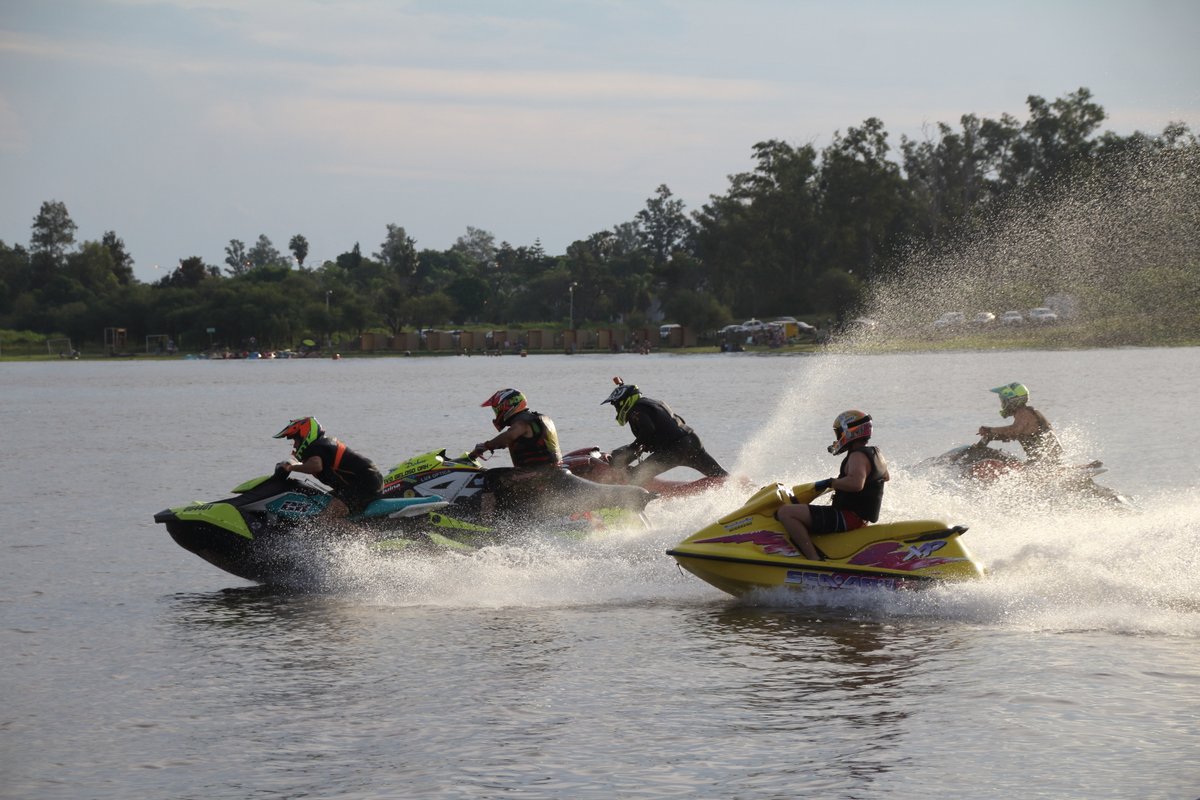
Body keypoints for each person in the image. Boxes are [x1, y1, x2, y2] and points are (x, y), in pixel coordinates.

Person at [776, 410, 890, 561]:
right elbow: (885, 477)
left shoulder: (857, 456)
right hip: (859, 518)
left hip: (848, 517)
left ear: (850, 432)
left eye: (839, 432)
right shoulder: (876, 453)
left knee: (786, 512)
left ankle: (813, 559)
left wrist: (833, 482)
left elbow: (856, 484)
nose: (837, 437)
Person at [601, 378, 728, 486]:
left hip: (675, 450)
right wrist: (628, 453)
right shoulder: (652, 404)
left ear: (624, 401)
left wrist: (628, 451)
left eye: (616, 405)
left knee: (636, 476)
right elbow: (672, 425)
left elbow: (647, 432)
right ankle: (742, 490)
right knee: (719, 475)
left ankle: (628, 507)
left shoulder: (636, 410)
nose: (616, 409)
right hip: (691, 442)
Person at [469, 388, 564, 520]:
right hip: (548, 470)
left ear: (508, 406)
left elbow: (509, 436)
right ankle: (508, 516)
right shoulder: (535, 419)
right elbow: (511, 441)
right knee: (507, 479)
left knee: (491, 477)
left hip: (540, 472)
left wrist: (485, 446)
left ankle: (487, 520)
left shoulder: (522, 422)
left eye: (497, 409)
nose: (496, 413)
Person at [274, 417, 383, 518]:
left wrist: (290, 468)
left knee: (326, 519)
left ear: (304, 435)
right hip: (362, 482)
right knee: (322, 504)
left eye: (295, 441)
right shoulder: (321, 445)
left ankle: (367, 538)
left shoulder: (317, 447)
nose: (294, 446)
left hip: (364, 484)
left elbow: (316, 466)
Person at [976, 382, 1064, 465]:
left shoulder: (1025, 413)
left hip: (1045, 463)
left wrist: (990, 430)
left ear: (1011, 401)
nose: (1002, 404)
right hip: (1041, 462)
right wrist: (990, 436)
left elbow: (1013, 430)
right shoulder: (1024, 414)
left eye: (1003, 401)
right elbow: (1012, 434)